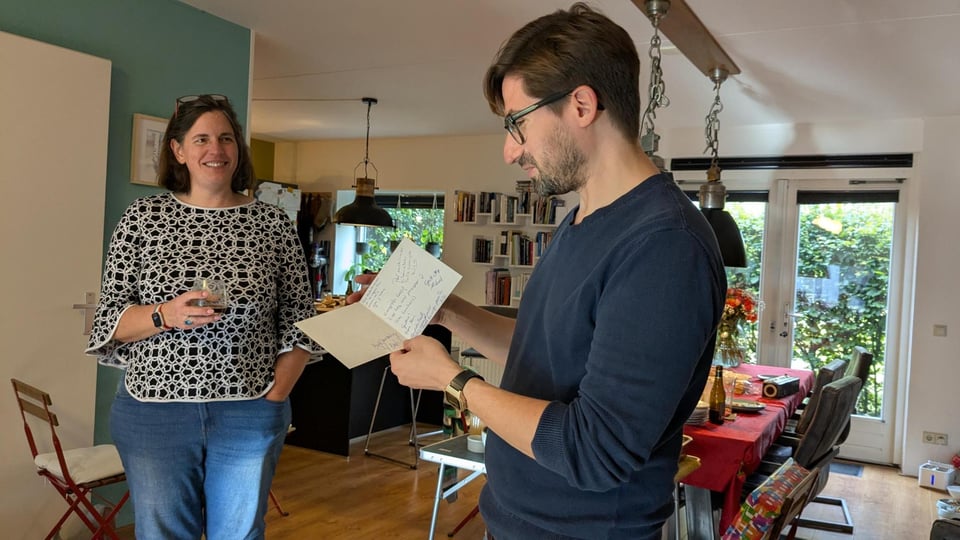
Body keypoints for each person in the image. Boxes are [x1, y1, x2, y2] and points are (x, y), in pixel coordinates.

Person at [354, 3, 726, 538]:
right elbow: (545, 355)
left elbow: (597, 452)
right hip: (516, 517)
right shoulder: (579, 220)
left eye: (517, 123)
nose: (510, 151)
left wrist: (452, 380)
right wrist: (448, 311)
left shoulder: (665, 245)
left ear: (581, 105)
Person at [86, 94, 317, 539]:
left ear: (238, 149)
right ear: (178, 150)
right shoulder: (143, 218)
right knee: (163, 533)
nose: (216, 150)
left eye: (226, 138)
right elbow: (109, 319)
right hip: (154, 411)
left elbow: (300, 320)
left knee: (239, 533)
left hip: (249, 408)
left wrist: (275, 396)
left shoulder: (272, 224)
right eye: (202, 139)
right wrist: (165, 315)